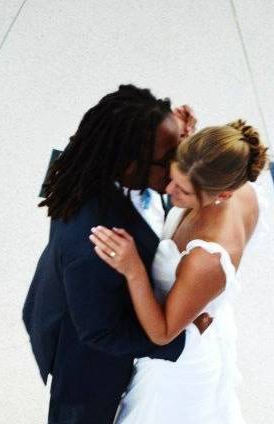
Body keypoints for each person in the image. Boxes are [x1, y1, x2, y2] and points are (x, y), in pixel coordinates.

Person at [22, 84, 209, 424]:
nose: (179, 165)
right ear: (128, 165)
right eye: (170, 158)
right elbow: (100, 332)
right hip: (89, 366)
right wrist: (176, 339)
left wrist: (177, 136)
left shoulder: (104, 159)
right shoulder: (92, 245)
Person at [89, 119, 269, 423]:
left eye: (183, 191)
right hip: (200, 319)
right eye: (172, 175)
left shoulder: (206, 259)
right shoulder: (232, 179)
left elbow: (162, 334)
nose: (168, 190)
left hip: (176, 367)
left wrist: (133, 270)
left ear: (222, 195)